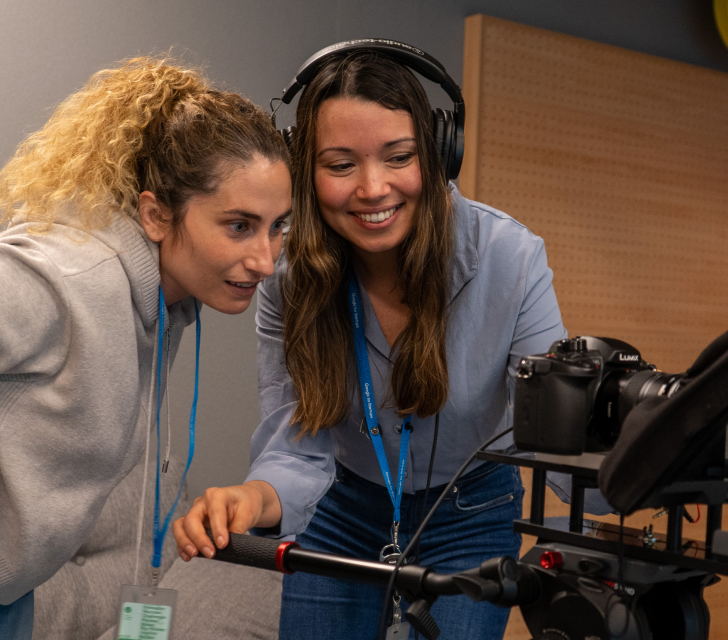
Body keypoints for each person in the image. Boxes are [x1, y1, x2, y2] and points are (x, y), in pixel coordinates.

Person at [173, 45, 566, 639]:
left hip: (470, 512)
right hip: (339, 505)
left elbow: (558, 435)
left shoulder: (507, 258)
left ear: (437, 153)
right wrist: (251, 498)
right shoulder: (286, 276)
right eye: (340, 165)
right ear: (304, 169)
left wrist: (639, 475)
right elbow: (296, 445)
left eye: (398, 156)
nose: (373, 188)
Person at [0, 56, 291, 639]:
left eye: (279, 226)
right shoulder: (70, 276)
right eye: (239, 226)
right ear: (156, 214)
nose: (266, 259)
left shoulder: (160, 303)